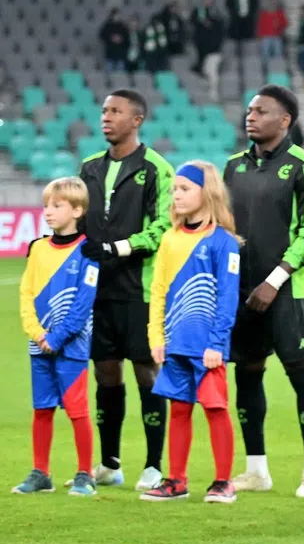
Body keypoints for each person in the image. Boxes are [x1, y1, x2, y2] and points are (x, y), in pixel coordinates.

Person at [225, 86, 304, 498]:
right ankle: (256, 470)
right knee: (247, 374)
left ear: (284, 120)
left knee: (301, 375)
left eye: (261, 111)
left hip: (286, 291)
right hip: (241, 291)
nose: (250, 116)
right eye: (249, 110)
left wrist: (275, 278)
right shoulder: (233, 167)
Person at [79, 89, 173, 490]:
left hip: (141, 288)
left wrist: (117, 247)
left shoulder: (157, 169)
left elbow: (162, 228)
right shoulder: (88, 168)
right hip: (96, 290)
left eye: (115, 111)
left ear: (137, 120)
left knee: (146, 372)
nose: (106, 117)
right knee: (104, 372)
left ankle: (153, 463)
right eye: (103, 110)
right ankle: (110, 462)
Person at [141, 163, 241, 504]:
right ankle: (176, 481)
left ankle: (223, 481)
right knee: (179, 410)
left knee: (215, 408)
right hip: (175, 344)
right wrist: (156, 336)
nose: (177, 195)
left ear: (206, 192)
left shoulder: (223, 243)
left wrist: (217, 343)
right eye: (174, 190)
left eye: (184, 188)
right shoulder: (169, 239)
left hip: (208, 348)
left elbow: (228, 296)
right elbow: (158, 290)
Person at [16, 178, 98, 496]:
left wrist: (58, 336)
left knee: (77, 411)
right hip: (40, 344)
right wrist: (37, 333)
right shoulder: (37, 248)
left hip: (72, 346)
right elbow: (26, 294)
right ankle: (41, 473)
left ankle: (85, 474)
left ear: (77, 210)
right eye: (46, 205)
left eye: (57, 205)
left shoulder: (88, 250)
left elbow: (83, 301)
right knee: (42, 408)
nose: (48, 212)